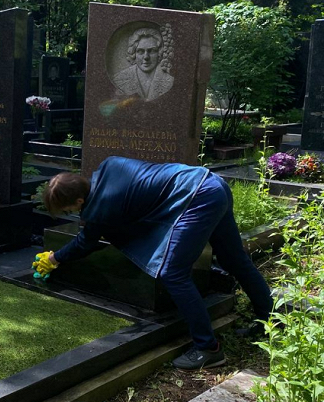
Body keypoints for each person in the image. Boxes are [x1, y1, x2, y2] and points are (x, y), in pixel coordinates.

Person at [32, 156, 274, 370]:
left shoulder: (102, 207)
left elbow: (86, 242)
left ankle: (208, 349)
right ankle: (271, 322)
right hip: (211, 182)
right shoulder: (109, 166)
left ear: (78, 201)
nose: (71, 214)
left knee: (173, 274)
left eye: (67, 209)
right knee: (234, 259)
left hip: (198, 198)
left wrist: (54, 258)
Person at [111, 28, 174, 102]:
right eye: (140, 51)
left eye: (152, 51)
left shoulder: (168, 81)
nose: (146, 57)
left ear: (159, 53)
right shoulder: (120, 79)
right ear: (133, 53)